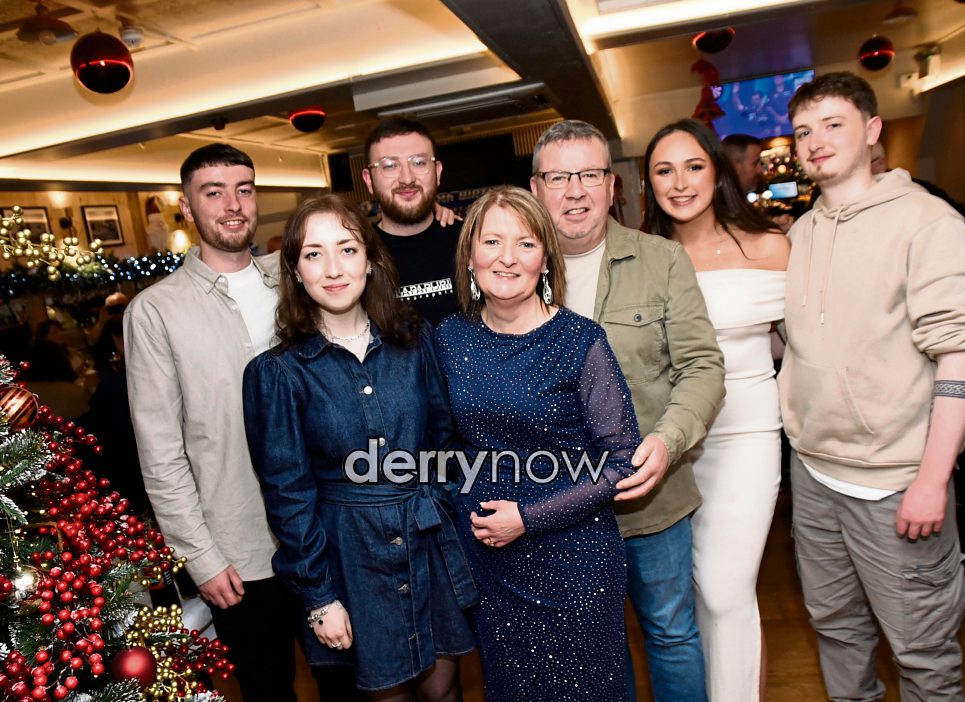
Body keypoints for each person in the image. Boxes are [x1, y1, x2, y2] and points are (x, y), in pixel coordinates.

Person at [125, 144, 360, 701]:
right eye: (213, 193)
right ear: (187, 207)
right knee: (267, 688)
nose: (233, 205)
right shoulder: (156, 312)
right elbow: (161, 452)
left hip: (326, 531)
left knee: (351, 685)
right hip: (239, 551)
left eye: (244, 190)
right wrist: (201, 557)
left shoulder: (298, 280)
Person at [243, 195, 476, 700]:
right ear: (295, 271)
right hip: (351, 561)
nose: (333, 269)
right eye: (314, 254)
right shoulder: (277, 373)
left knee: (445, 691)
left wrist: (440, 504)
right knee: (386, 693)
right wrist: (320, 597)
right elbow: (288, 495)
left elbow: (444, 443)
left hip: (426, 542)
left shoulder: (414, 339)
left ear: (369, 260)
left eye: (347, 249)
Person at [779, 71, 965, 701]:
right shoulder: (800, 233)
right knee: (837, 633)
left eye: (833, 124)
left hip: (895, 483)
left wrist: (932, 480)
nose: (815, 141)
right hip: (814, 474)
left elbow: (956, 359)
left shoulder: (927, 222)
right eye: (803, 131)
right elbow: (806, 344)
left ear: (872, 130)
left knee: (923, 655)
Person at [530, 120, 725, 702]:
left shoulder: (662, 260)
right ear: (536, 188)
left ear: (612, 186)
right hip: (556, 504)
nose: (575, 191)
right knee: (580, 646)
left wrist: (667, 442)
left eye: (590, 175)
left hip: (649, 499)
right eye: (559, 177)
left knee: (670, 633)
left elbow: (702, 367)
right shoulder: (513, 271)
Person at [434, 185, 642, 701]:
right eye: (492, 242)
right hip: (491, 559)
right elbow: (441, 443)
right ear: (470, 256)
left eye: (525, 244)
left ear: (545, 259)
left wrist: (529, 518)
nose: (507, 258)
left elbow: (621, 463)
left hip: (576, 557)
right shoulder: (448, 337)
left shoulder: (580, 340)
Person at [644, 118, 789, 701]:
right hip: (670, 447)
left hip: (746, 437)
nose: (679, 183)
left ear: (717, 171)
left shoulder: (770, 247)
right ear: (648, 182)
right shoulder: (646, 257)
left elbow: (796, 343)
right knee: (697, 593)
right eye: (664, 170)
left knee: (726, 591)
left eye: (693, 166)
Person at [362, 117, 459, 325]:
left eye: (419, 162)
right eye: (389, 166)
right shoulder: (358, 256)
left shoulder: (471, 242)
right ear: (369, 180)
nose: (407, 178)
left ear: (437, 172)